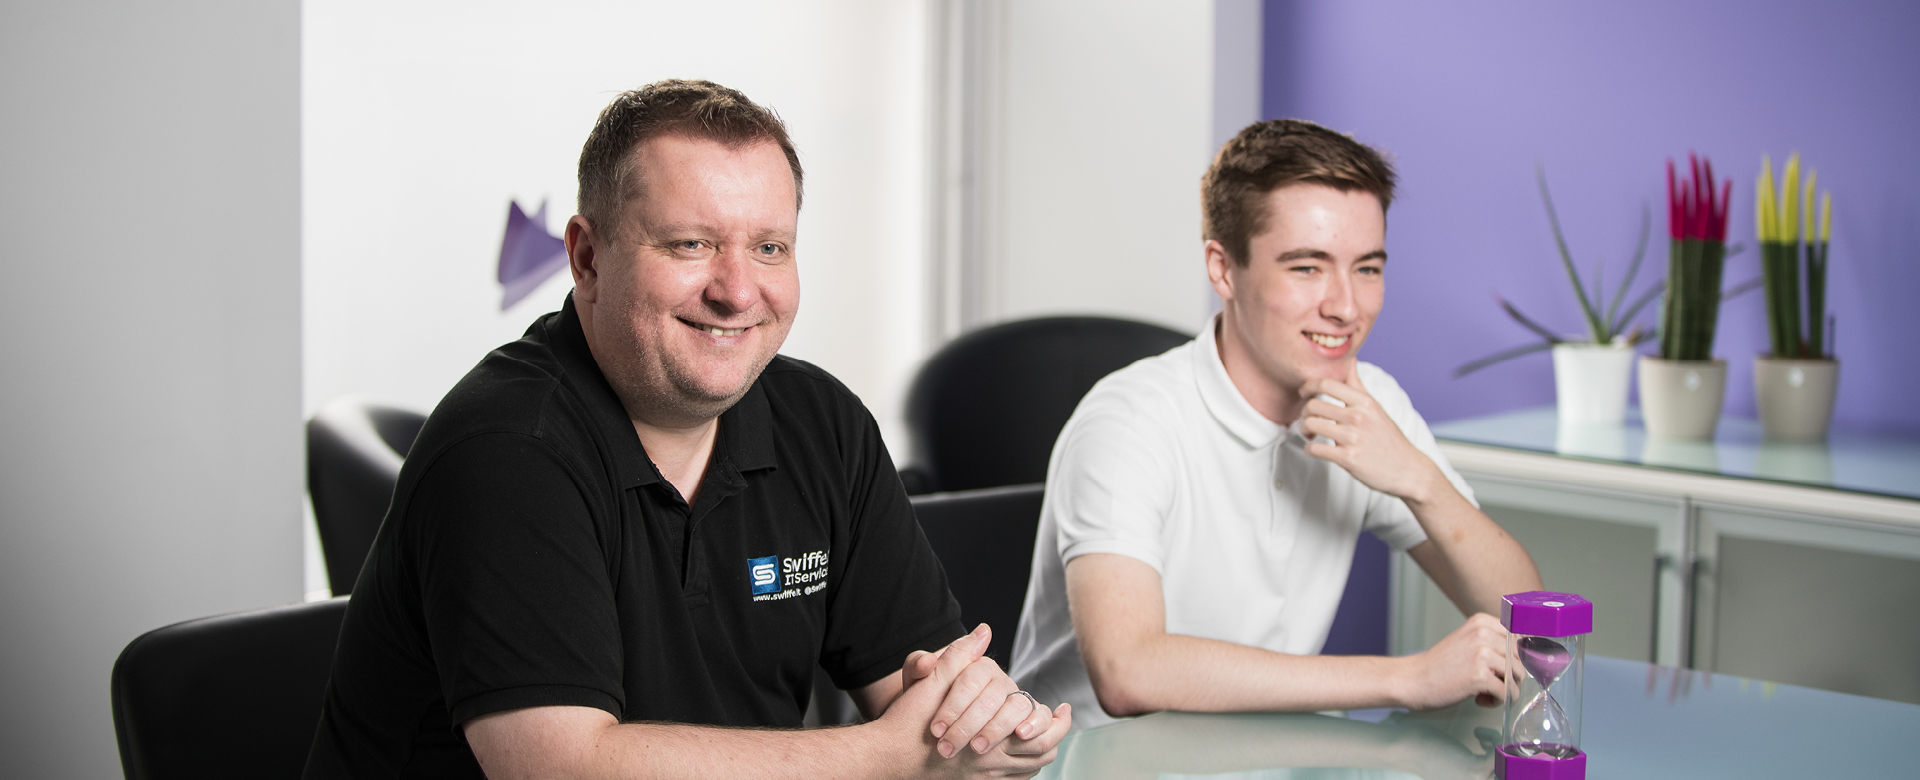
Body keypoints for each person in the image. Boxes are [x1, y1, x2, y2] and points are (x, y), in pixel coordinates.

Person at [304, 80, 1069, 780]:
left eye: (770, 248)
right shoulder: (508, 449)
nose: (737, 291)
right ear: (588, 257)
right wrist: (883, 754)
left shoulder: (822, 425)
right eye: (690, 244)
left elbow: (931, 700)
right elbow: (561, 768)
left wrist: (985, 725)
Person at [1009, 119, 1543, 731]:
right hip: (1089, 766)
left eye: (1367, 268)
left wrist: (1419, 480)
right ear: (1223, 269)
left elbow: (1525, 617)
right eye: (1307, 268)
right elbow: (1129, 672)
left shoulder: (1370, 405)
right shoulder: (1129, 422)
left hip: (1260, 761)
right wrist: (1406, 678)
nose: (1346, 306)